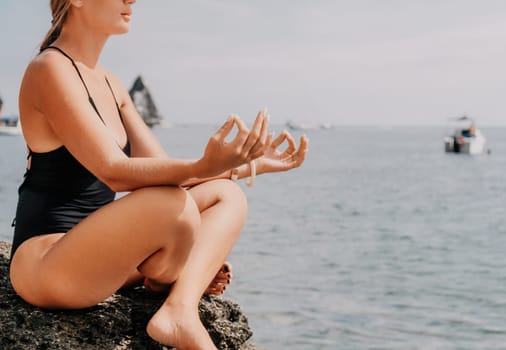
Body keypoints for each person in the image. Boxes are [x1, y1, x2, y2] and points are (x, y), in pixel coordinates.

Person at [9, 1, 308, 349]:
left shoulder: (111, 83)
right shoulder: (49, 69)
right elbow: (114, 171)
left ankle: (178, 309)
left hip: (98, 258)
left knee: (227, 196)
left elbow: (163, 170)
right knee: (171, 205)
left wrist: (252, 163)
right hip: (47, 267)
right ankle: (174, 275)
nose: (131, 0)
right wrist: (204, 165)